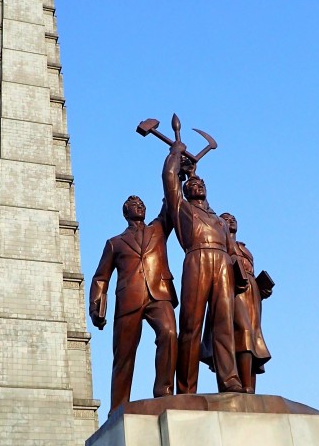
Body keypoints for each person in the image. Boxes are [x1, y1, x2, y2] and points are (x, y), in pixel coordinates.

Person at [162, 145, 241, 394]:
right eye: (192, 184)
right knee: (191, 325)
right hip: (197, 258)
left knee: (224, 324)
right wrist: (175, 155)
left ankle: (229, 379)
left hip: (222, 264)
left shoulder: (218, 220)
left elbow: (233, 251)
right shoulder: (182, 209)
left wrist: (240, 271)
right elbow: (168, 178)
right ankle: (186, 388)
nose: (198, 186)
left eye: (201, 184)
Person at [89, 195, 178, 410]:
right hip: (129, 299)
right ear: (125, 212)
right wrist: (96, 308)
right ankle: (118, 407)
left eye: (142, 204)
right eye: (134, 205)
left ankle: (163, 392)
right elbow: (101, 277)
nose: (139, 207)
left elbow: (170, 201)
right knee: (124, 355)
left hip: (159, 293)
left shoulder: (158, 229)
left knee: (169, 333)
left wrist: (177, 173)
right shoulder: (114, 243)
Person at [202, 214, 272, 392]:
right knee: (244, 332)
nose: (231, 220)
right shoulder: (220, 243)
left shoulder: (243, 247)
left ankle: (250, 387)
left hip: (251, 294)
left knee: (254, 337)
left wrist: (261, 288)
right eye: (225, 218)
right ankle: (240, 384)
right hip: (230, 289)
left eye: (233, 218)